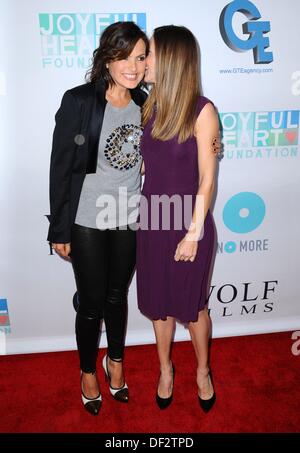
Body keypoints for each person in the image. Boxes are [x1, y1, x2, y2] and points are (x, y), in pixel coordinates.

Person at [47, 21, 149, 415]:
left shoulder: (147, 104)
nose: (132, 65)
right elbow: (60, 168)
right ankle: (88, 371)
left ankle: (116, 362)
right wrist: (59, 227)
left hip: (129, 217)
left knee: (116, 296)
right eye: (124, 56)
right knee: (91, 304)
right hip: (87, 218)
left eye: (140, 57)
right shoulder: (79, 101)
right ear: (107, 58)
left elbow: (171, 142)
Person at [136, 25, 219, 412]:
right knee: (159, 306)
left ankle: (203, 371)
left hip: (190, 226)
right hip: (153, 221)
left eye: (149, 53)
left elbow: (207, 179)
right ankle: (165, 369)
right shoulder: (149, 106)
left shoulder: (203, 110)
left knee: (194, 307)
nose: (144, 61)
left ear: (169, 59)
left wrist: (193, 232)